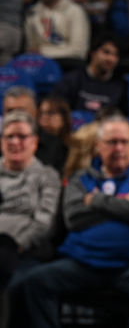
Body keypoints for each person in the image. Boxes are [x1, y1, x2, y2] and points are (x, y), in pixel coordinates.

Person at [16, 114, 129, 328]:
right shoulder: (81, 178)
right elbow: (73, 219)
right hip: (82, 264)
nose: (118, 148)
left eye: (124, 142)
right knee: (35, 281)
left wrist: (95, 200)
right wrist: (123, 205)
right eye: (111, 142)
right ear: (98, 146)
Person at [0, 110, 62, 289]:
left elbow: (44, 223)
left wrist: (16, 245)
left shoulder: (47, 175)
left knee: (18, 285)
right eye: (9, 137)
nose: (15, 142)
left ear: (34, 142)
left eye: (22, 136)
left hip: (26, 253)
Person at [23, 0, 91, 64]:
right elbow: (31, 49)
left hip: (68, 63)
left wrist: (43, 52)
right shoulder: (32, 12)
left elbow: (78, 51)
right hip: (39, 64)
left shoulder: (75, 11)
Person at [51, 33, 127, 114]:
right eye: (106, 52)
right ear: (93, 53)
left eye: (115, 55)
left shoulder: (120, 86)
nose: (111, 59)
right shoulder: (72, 80)